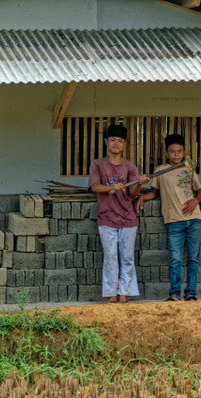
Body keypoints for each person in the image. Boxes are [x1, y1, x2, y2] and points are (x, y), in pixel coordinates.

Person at [136, 134, 201, 301]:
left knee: (193, 258)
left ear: (184, 152)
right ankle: (174, 294)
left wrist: (195, 201)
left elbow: (200, 193)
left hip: (194, 218)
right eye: (172, 151)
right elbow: (153, 193)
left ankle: (190, 293)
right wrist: (141, 197)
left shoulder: (188, 167)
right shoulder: (160, 170)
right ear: (167, 153)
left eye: (179, 151)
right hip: (173, 220)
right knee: (175, 258)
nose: (176, 154)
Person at [89, 124, 150, 303]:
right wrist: (111, 188)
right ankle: (111, 293)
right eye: (113, 140)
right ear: (106, 142)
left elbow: (132, 194)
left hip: (127, 217)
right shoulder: (98, 164)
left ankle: (125, 292)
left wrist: (139, 183)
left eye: (120, 141)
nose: (116, 144)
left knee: (127, 256)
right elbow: (95, 187)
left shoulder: (130, 167)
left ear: (125, 145)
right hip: (106, 217)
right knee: (110, 256)